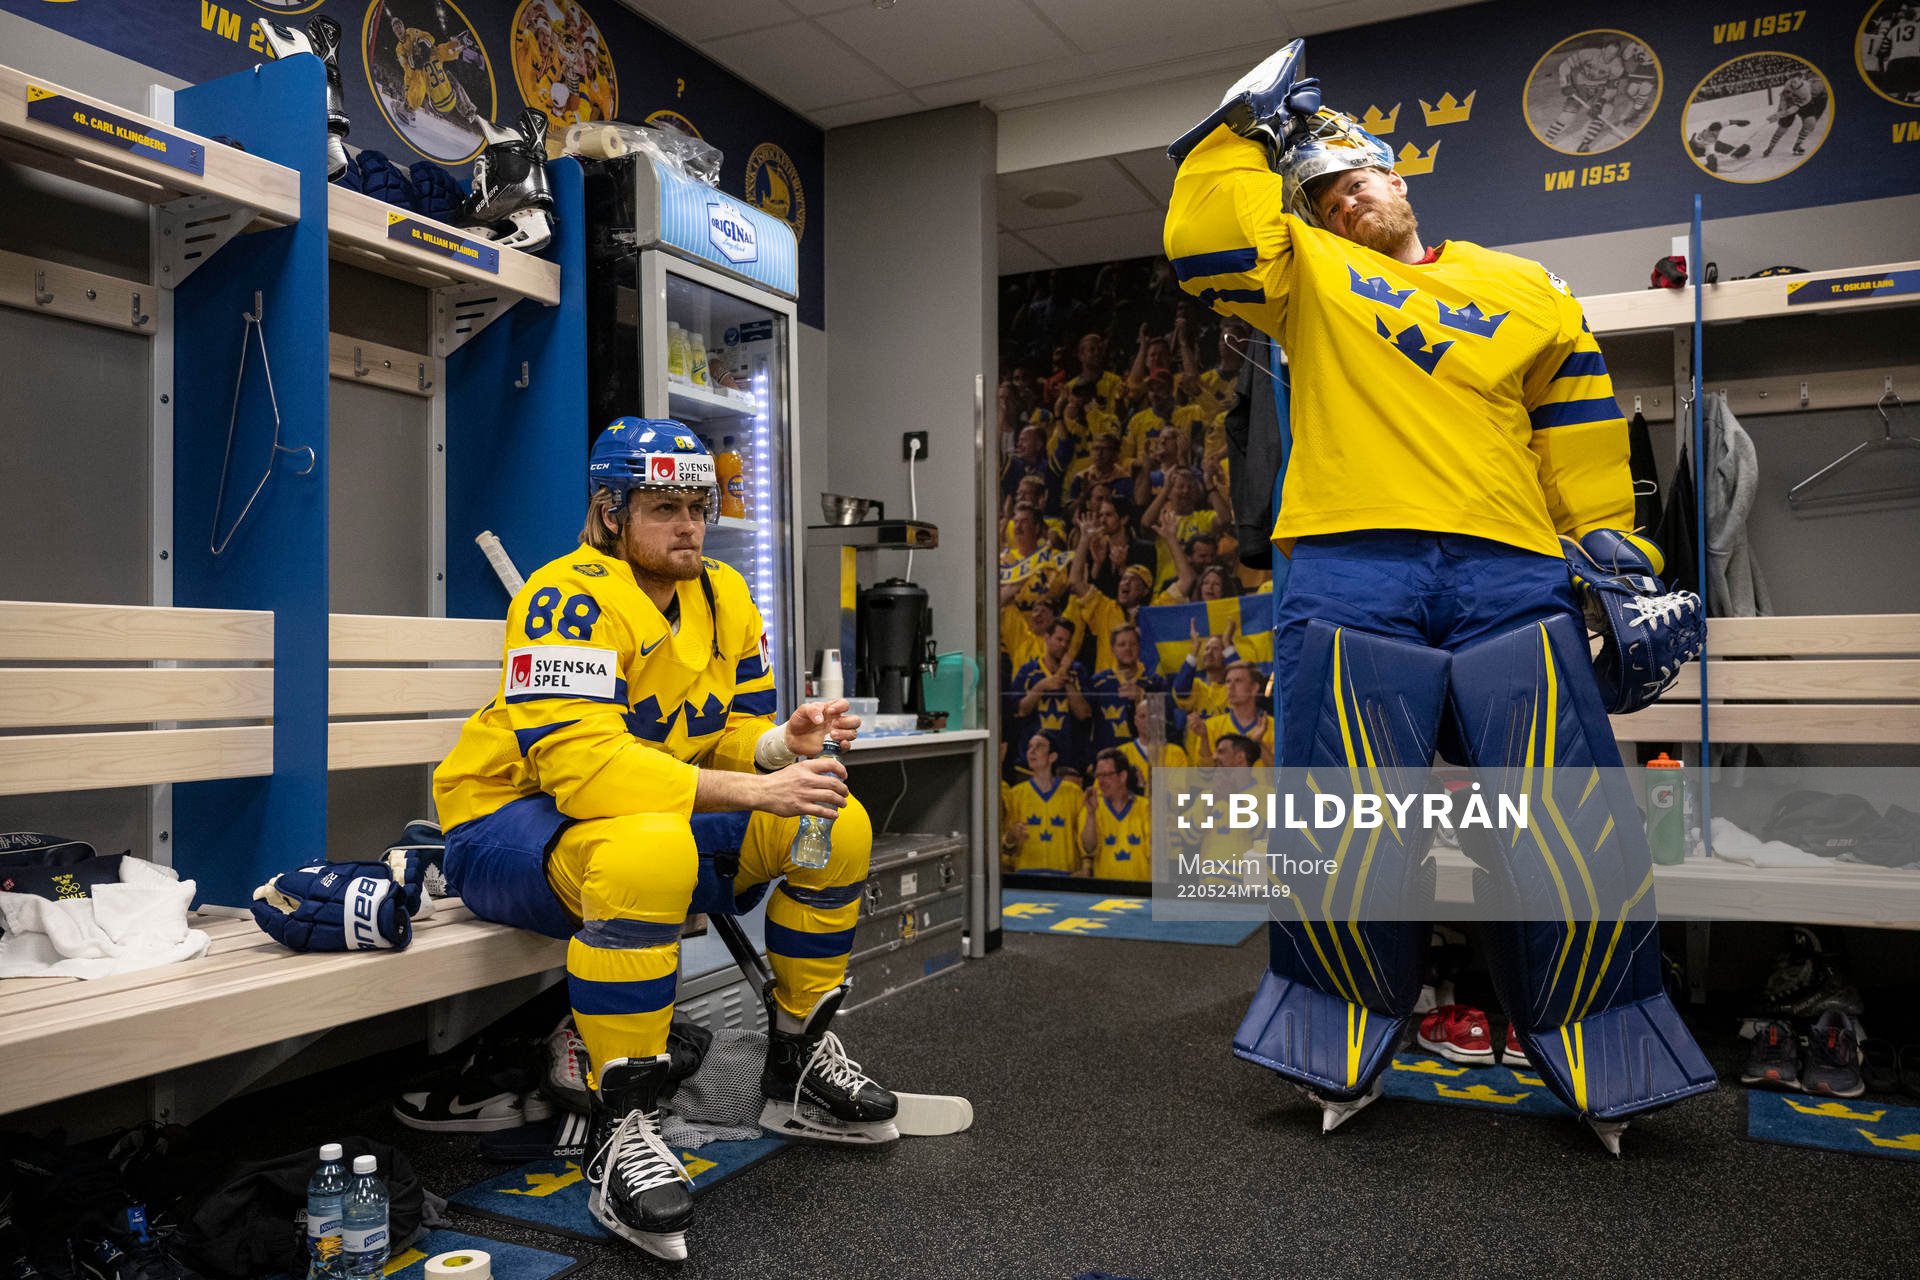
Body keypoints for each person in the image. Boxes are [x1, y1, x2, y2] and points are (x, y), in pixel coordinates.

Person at [1163, 39, 1711, 1148]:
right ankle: (1335, 1042)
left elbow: (1577, 423)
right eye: (1322, 193)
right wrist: (1237, 135)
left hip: (1510, 564)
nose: (1344, 199)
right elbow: (1208, 247)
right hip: (1347, 564)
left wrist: (1613, 548)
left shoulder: (1525, 287)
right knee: (1345, 820)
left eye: (1356, 177)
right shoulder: (1306, 276)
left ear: (1400, 177)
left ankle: (1604, 1047)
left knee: (1565, 819)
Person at [432, 421, 897, 1259]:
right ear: (611, 512)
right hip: (504, 825)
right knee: (649, 850)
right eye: (663, 508)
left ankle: (795, 1058)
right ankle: (623, 1125)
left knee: (831, 824)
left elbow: (726, 731)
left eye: (698, 507)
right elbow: (583, 772)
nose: (689, 526)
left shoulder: (724, 592)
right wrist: (755, 788)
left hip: (647, 818)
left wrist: (777, 745)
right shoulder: (565, 595)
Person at [1000, 733, 1085, 874]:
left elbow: (1082, 838)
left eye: (1039, 746)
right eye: (1029, 747)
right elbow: (1005, 847)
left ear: (1052, 756)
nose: (1031, 751)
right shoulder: (1015, 794)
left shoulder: (1074, 792)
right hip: (1026, 874)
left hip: (1064, 874)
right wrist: (1011, 836)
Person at [1086, 623, 1166, 753]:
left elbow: (1165, 724)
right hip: (1107, 759)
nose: (1128, 648)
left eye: (1132, 644)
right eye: (1122, 644)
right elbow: (1085, 723)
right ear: (1113, 649)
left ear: (1139, 647)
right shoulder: (1097, 683)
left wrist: (1143, 696)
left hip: (1145, 757)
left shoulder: (1155, 682)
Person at [1078, 748, 1152, 880]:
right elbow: (1089, 849)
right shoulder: (1091, 808)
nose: (1101, 781)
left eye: (1106, 775)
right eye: (1098, 775)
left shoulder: (1146, 807)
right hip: (1105, 889)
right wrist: (1091, 814)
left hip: (1140, 888)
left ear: (1122, 776)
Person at [1194, 661, 1272, 765]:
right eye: (1228, 681)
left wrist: (1259, 743)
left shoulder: (1274, 727)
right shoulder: (1209, 727)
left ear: (1254, 688)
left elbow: (1282, 772)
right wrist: (1204, 738)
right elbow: (1204, 773)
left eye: (1238, 681)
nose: (1230, 687)